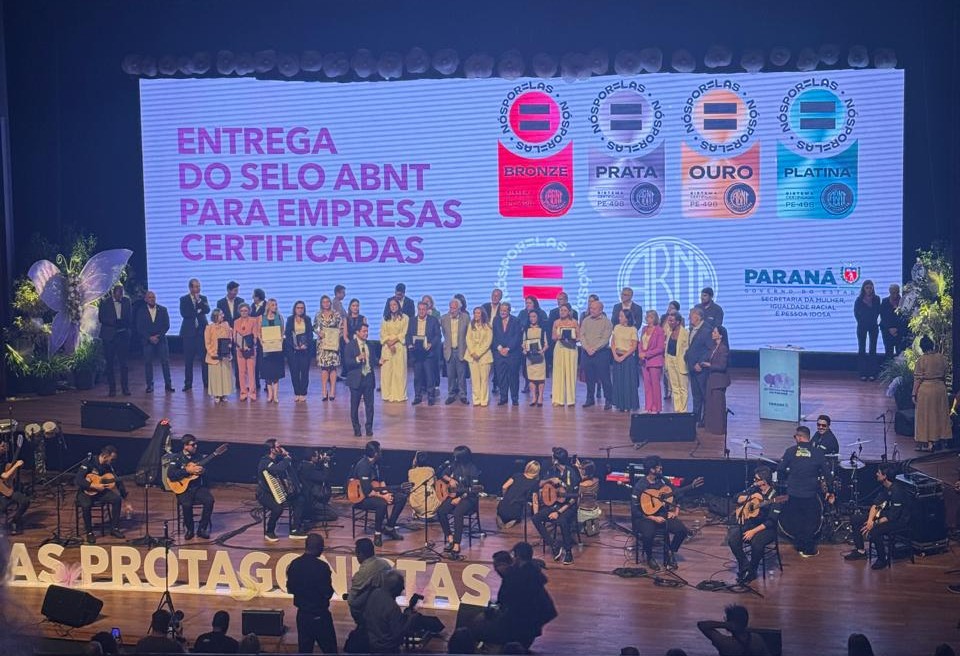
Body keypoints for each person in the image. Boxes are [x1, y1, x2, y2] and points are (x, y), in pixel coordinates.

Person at [844, 463, 912, 568]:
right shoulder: (885, 487)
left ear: (885, 476)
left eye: (878, 473)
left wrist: (874, 523)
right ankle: (860, 551)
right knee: (856, 519)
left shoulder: (897, 491)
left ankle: (882, 559)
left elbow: (893, 516)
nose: (876, 474)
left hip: (899, 520)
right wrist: (870, 520)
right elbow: (876, 505)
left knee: (875, 530)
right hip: (886, 514)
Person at [632, 455, 689, 571]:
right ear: (651, 470)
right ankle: (649, 557)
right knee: (648, 535)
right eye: (658, 467)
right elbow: (635, 510)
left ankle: (671, 552)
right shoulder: (640, 486)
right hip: (646, 517)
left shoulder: (664, 481)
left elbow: (678, 495)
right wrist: (653, 518)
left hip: (663, 514)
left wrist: (676, 512)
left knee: (682, 531)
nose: (661, 468)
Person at [496, 541, 557, 649]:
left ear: (518, 557)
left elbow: (504, 598)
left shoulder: (515, 576)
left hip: (521, 621)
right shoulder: (534, 573)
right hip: (533, 621)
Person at [778, 426, 828, 557]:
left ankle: (799, 545)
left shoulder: (790, 451)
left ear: (799, 437)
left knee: (796, 519)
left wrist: (787, 478)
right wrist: (830, 490)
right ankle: (808, 549)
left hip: (793, 492)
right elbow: (827, 473)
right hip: (810, 493)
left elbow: (780, 469)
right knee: (810, 520)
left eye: (795, 436)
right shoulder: (818, 453)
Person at [728, 466, 781, 584]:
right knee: (732, 539)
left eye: (757, 479)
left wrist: (753, 531)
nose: (754, 481)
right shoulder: (754, 489)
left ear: (764, 481)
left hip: (766, 528)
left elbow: (771, 521)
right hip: (751, 523)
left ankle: (752, 571)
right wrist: (751, 496)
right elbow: (736, 498)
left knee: (757, 543)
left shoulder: (775, 496)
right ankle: (744, 565)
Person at [286, 533, 337, 654]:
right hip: (320, 616)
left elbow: (290, 589)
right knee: (330, 650)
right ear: (320, 547)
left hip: (303, 616)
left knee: (305, 650)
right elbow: (327, 592)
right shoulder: (322, 567)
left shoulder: (294, 564)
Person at [351, 441, 406, 546]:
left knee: (401, 497)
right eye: (380, 450)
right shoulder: (363, 466)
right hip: (363, 498)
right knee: (381, 504)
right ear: (376, 453)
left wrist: (386, 492)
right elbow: (367, 491)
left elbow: (381, 480)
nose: (381, 452)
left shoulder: (377, 463)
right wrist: (384, 497)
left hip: (375, 492)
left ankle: (389, 527)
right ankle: (377, 534)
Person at [532, 447, 581, 565]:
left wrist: (558, 512)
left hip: (568, 506)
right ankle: (554, 545)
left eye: (553, 457)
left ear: (556, 460)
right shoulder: (551, 470)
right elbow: (539, 484)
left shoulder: (571, 473)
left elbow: (574, 498)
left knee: (562, 520)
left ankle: (568, 552)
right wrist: (550, 480)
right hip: (554, 504)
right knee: (536, 518)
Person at [75, 445, 132, 544]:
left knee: (116, 499)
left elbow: (118, 482)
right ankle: (89, 532)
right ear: (105, 456)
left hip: (100, 492)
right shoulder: (89, 461)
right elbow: (78, 480)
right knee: (86, 505)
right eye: (112, 459)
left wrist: (126, 500)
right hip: (85, 492)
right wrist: (94, 486)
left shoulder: (108, 466)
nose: (113, 461)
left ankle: (114, 528)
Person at [437, 445, 482, 560]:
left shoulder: (473, 469)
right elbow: (442, 474)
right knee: (441, 511)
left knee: (458, 513)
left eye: (456, 456)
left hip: (468, 497)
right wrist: (450, 479)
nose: (454, 458)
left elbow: (473, 490)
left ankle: (457, 544)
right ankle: (450, 537)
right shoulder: (454, 465)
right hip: (454, 495)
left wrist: (460, 498)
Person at [166, 434, 215, 540]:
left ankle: (202, 529)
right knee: (186, 504)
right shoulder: (177, 458)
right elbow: (170, 474)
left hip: (197, 487)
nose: (195, 446)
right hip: (183, 489)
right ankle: (190, 529)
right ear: (186, 446)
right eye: (193, 445)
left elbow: (207, 472)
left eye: (196, 444)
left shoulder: (199, 457)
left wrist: (203, 471)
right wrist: (187, 471)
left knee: (209, 500)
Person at [256, 438, 305, 541]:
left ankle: (295, 529)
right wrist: (286, 458)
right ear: (272, 449)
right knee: (277, 509)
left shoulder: (277, 460)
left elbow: (286, 467)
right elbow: (278, 469)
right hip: (265, 494)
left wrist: (287, 456)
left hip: (277, 491)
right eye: (278, 447)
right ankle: (269, 531)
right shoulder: (265, 461)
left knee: (299, 499)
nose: (281, 448)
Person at [362, 570, 419, 654]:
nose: (403, 588)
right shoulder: (392, 607)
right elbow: (399, 635)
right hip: (387, 648)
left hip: (372, 643)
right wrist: (411, 619)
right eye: (401, 585)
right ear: (395, 588)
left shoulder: (374, 594)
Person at [913, 336, 950, 451]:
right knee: (941, 415)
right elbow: (945, 373)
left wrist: (914, 394)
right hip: (940, 388)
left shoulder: (921, 360)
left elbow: (918, 378)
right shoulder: (941, 357)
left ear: (922, 347)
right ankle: (942, 440)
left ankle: (928, 443)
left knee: (926, 417)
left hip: (926, 390)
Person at [347, 537, 394, 623]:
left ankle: (361, 626)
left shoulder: (362, 573)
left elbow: (351, 600)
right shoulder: (385, 563)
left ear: (360, 554)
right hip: (387, 606)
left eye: (356, 553)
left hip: (370, 612)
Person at [136, 290, 174, 393]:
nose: (152, 299)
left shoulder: (163, 309)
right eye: (150, 297)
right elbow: (139, 327)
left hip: (161, 340)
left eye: (153, 297)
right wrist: (149, 337)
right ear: (146, 299)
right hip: (147, 341)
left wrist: (158, 336)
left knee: (165, 362)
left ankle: (168, 384)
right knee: (148, 363)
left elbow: (166, 325)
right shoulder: (141, 311)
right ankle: (149, 385)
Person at [99, 283, 132, 397]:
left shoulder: (127, 301)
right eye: (118, 294)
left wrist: (123, 324)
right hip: (109, 336)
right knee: (110, 363)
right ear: (114, 293)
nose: (120, 297)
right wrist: (114, 322)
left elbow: (129, 316)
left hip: (122, 335)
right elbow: (101, 318)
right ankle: (112, 389)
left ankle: (125, 388)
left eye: (122, 294)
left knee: (124, 363)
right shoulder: (105, 302)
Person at [697, 605, 770, 656]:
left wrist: (725, 624)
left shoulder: (724, 642)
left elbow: (702, 625)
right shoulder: (757, 639)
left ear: (730, 622)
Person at [344, 324, 377, 437]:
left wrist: (379, 361)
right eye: (364, 331)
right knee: (354, 407)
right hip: (356, 380)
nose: (366, 333)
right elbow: (347, 363)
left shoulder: (370, 345)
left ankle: (369, 428)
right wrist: (358, 359)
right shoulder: (350, 346)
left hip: (368, 378)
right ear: (357, 332)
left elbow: (373, 360)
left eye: (367, 331)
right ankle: (357, 429)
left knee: (370, 406)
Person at [581, 299, 614, 409]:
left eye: (594, 308)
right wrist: (587, 348)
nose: (591, 310)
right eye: (590, 308)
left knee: (604, 378)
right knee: (589, 378)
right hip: (587, 352)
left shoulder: (607, 322)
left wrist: (594, 348)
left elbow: (605, 339)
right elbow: (582, 335)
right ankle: (590, 398)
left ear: (601, 310)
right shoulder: (586, 321)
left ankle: (608, 399)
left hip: (601, 353)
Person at [406, 301, 441, 406]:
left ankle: (431, 396)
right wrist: (409, 344)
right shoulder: (412, 320)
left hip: (428, 353)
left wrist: (431, 344)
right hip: (416, 353)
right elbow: (408, 335)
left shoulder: (433, 320)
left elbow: (438, 336)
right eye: (420, 309)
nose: (421, 311)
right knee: (417, 376)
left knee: (430, 376)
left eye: (423, 309)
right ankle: (418, 396)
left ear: (427, 310)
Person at [179, 278, 210, 391]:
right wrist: (198, 311)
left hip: (201, 333)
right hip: (188, 333)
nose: (198, 288)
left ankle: (207, 382)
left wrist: (199, 302)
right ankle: (188, 383)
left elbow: (207, 310)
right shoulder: (184, 299)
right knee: (188, 360)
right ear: (190, 288)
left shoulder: (203, 298)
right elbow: (185, 313)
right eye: (196, 286)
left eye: (199, 286)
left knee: (204, 359)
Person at [685, 307, 713, 427]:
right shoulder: (692, 329)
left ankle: (706, 420)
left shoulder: (706, 330)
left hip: (701, 369)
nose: (689, 317)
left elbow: (710, 349)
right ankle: (695, 418)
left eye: (691, 315)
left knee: (704, 395)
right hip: (692, 367)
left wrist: (701, 362)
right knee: (696, 395)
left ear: (698, 316)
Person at [702, 325, 731, 435]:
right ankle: (711, 427)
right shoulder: (714, 347)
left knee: (718, 406)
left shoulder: (723, 348)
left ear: (721, 335)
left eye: (715, 332)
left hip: (719, 381)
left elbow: (722, 366)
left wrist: (709, 365)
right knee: (711, 405)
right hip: (712, 379)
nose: (712, 334)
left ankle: (718, 428)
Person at [313, 295, 343, 402]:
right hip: (322, 345)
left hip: (333, 345)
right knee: (324, 368)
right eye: (324, 302)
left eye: (327, 302)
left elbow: (341, 327)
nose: (326, 304)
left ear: (330, 303)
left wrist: (337, 335)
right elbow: (315, 327)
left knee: (333, 368)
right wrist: (318, 332)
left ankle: (332, 391)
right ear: (321, 303)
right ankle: (324, 391)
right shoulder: (318, 315)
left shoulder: (336, 314)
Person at [379, 298, 409, 403]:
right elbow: (383, 333)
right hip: (387, 348)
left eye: (395, 304)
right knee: (387, 371)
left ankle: (399, 395)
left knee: (399, 372)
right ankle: (387, 394)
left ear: (398, 305)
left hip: (399, 347)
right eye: (391, 305)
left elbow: (404, 332)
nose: (393, 307)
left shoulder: (405, 318)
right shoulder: (385, 318)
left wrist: (394, 341)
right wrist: (389, 343)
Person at [492, 302, 523, 406]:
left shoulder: (516, 320)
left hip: (512, 354)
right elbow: (494, 336)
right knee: (501, 377)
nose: (503, 312)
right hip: (499, 354)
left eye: (505, 310)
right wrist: (500, 348)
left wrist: (508, 349)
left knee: (513, 377)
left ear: (509, 311)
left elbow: (517, 337)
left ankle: (514, 398)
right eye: (501, 310)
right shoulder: (496, 320)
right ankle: (503, 397)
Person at [610, 308, 640, 412]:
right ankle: (620, 404)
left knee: (627, 382)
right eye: (619, 316)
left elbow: (634, 347)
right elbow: (612, 342)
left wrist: (623, 357)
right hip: (616, 356)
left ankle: (628, 404)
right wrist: (615, 355)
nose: (619, 318)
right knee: (618, 381)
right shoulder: (617, 327)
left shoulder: (633, 329)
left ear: (627, 318)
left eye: (621, 316)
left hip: (627, 358)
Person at [285, 300, 315, 402]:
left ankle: (303, 393)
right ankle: (297, 392)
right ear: (295, 309)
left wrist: (306, 345)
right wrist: (294, 346)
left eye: (302, 308)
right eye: (298, 308)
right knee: (294, 372)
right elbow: (288, 334)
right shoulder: (290, 319)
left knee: (304, 372)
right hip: (293, 351)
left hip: (305, 350)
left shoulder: (307, 319)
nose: (300, 310)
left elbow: (310, 334)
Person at [442, 298, 470, 405]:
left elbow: (468, 333)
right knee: (450, 375)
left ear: (459, 309)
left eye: (454, 308)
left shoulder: (465, 318)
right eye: (450, 308)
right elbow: (444, 333)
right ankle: (451, 395)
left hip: (461, 350)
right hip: (449, 350)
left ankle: (463, 395)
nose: (452, 310)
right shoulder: (444, 318)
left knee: (462, 375)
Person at [497, 460, 541, 528]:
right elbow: (535, 502)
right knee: (519, 511)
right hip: (515, 511)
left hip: (503, 507)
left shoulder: (517, 475)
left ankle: (500, 517)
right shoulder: (534, 483)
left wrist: (505, 496)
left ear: (527, 467)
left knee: (502, 511)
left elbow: (504, 487)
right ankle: (513, 520)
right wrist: (536, 517)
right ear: (537, 472)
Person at [551, 304, 579, 407]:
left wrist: (572, 337)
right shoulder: (556, 322)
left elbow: (579, 337)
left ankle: (571, 400)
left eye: (564, 310)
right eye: (561, 310)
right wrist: (558, 336)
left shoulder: (574, 322)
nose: (562, 312)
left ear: (569, 312)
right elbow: (553, 337)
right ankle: (558, 399)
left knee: (571, 373)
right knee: (558, 373)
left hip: (571, 349)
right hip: (560, 348)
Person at [205, 308, 234, 403]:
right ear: (216, 316)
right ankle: (217, 395)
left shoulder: (226, 325)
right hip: (214, 356)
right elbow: (207, 343)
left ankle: (224, 394)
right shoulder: (209, 327)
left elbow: (230, 337)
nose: (223, 316)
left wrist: (229, 347)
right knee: (216, 376)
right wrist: (213, 353)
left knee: (224, 375)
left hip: (225, 354)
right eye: (221, 314)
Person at [639, 310, 666, 413]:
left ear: (654, 318)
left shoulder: (659, 330)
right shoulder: (644, 329)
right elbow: (641, 343)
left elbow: (660, 348)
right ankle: (648, 406)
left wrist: (646, 354)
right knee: (647, 385)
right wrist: (640, 353)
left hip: (654, 361)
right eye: (647, 317)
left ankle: (656, 407)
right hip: (644, 362)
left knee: (655, 385)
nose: (648, 319)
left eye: (650, 317)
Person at [0, 441, 30, 534]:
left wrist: (15, 466)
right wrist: (16, 465)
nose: (4, 447)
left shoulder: (3, 458)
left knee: (25, 501)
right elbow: (5, 476)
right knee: (2, 507)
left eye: (4, 445)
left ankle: (15, 520)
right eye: (1, 446)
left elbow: (6, 468)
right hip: (1, 491)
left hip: (7, 488)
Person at [233, 303, 261, 401]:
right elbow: (235, 336)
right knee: (241, 372)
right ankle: (243, 392)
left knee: (251, 371)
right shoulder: (236, 322)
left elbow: (255, 335)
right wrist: (241, 346)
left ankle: (252, 392)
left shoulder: (253, 320)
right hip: (240, 349)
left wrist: (250, 345)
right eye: (242, 311)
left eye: (245, 310)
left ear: (249, 311)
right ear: (239, 312)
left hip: (250, 349)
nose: (244, 312)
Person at [854, 279, 881, 381]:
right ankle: (863, 373)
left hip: (873, 326)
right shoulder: (859, 300)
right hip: (862, 326)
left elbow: (877, 311)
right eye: (867, 288)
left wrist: (871, 320)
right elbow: (856, 313)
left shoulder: (877, 299)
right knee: (862, 349)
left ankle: (872, 373)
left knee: (872, 349)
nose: (869, 290)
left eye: (870, 288)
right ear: (863, 289)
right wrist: (862, 321)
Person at [299, 448, 335, 525]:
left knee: (330, 509)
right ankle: (307, 516)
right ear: (312, 458)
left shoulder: (304, 464)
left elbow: (316, 471)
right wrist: (325, 463)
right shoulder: (308, 468)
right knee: (333, 515)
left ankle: (306, 514)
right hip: (311, 500)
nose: (318, 457)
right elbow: (324, 477)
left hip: (308, 496)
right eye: (317, 456)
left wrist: (321, 461)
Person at [466, 307, 493, 407]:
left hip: (484, 356)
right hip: (472, 356)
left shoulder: (488, 326)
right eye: (475, 313)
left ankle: (484, 400)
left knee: (484, 379)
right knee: (475, 379)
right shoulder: (471, 325)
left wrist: (479, 353)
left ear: (482, 314)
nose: (476, 315)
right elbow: (468, 339)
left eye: (478, 313)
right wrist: (473, 352)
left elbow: (488, 342)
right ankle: (476, 399)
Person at [260, 298, 285, 403]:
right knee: (268, 373)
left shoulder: (279, 317)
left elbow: (282, 331)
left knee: (276, 373)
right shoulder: (262, 318)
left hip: (277, 348)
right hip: (266, 349)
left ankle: (275, 395)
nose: (275, 307)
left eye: (276, 305)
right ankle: (270, 394)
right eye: (273, 305)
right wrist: (262, 342)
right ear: (268, 306)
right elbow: (259, 332)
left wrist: (281, 341)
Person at [663, 312, 689, 413]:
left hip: (681, 362)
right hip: (670, 360)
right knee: (675, 386)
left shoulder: (685, 333)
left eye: (671, 321)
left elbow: (687, 349)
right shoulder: (669, 331)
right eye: (668, 321)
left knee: (683, 387)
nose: (669, 323)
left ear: (678, 322)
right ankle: (677, 409)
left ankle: (683, 410)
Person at [522, 309, 547, 406]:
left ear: (538, 317)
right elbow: (523, 342)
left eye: (534, 316)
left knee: (540, 378)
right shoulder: (526, 329)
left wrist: (542, 350)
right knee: (531, 378)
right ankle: (533, 397)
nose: (532, 319)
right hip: (530, 357)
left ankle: (540, 397)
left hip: (540, 357)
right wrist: (524, 349)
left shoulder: (542, 329)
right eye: (530, 317)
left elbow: (546, 343)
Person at [407, 451, 439, 520]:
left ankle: (418, 513)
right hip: (432, 506)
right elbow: (436, 485)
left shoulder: (410, 472)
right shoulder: (430, 470)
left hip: (416, 505)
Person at [879, 283, 906, 358]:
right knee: (888, 353)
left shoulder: (903, 302)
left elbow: (904, 318)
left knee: (900, 353)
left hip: (899, 331)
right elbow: (883, 317)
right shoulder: (884, 301)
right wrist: (889, 328)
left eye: (897, 292)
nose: (895, 295)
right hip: (887, 331)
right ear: (890, 292)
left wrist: (897, 329)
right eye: (893, 293)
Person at [250, 288, 267, 391]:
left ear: (258, 296)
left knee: (265, 361)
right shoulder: (252, 306)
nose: (252, 297)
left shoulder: (266, 306)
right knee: (254, 361)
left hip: (264, 336)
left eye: (254, 295)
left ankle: (267, 383)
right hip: (254, 337)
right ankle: (256, 383)